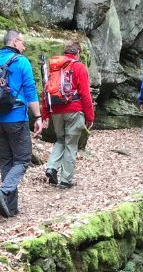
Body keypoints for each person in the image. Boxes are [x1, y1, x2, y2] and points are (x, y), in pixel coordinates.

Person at [0, 30, 43, 217]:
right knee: (23, 159)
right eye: (22, 43)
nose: (24, 47)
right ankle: (4, 190)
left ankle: (10, 207)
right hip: (16, 118)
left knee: (6, 161)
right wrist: (38, 117)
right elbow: (30, 90)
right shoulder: (21, 62)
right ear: (15, 42)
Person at [40, 41, 95, 188]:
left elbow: (46, 91)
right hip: (74, 110)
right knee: (70, 144)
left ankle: (51, 167)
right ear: (78, 53)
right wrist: (90, 117)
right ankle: (66, 180)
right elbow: (85, 95)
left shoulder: (54, 67)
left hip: (56, 110)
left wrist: (45, 114)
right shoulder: (79, 67)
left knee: (60, 140)